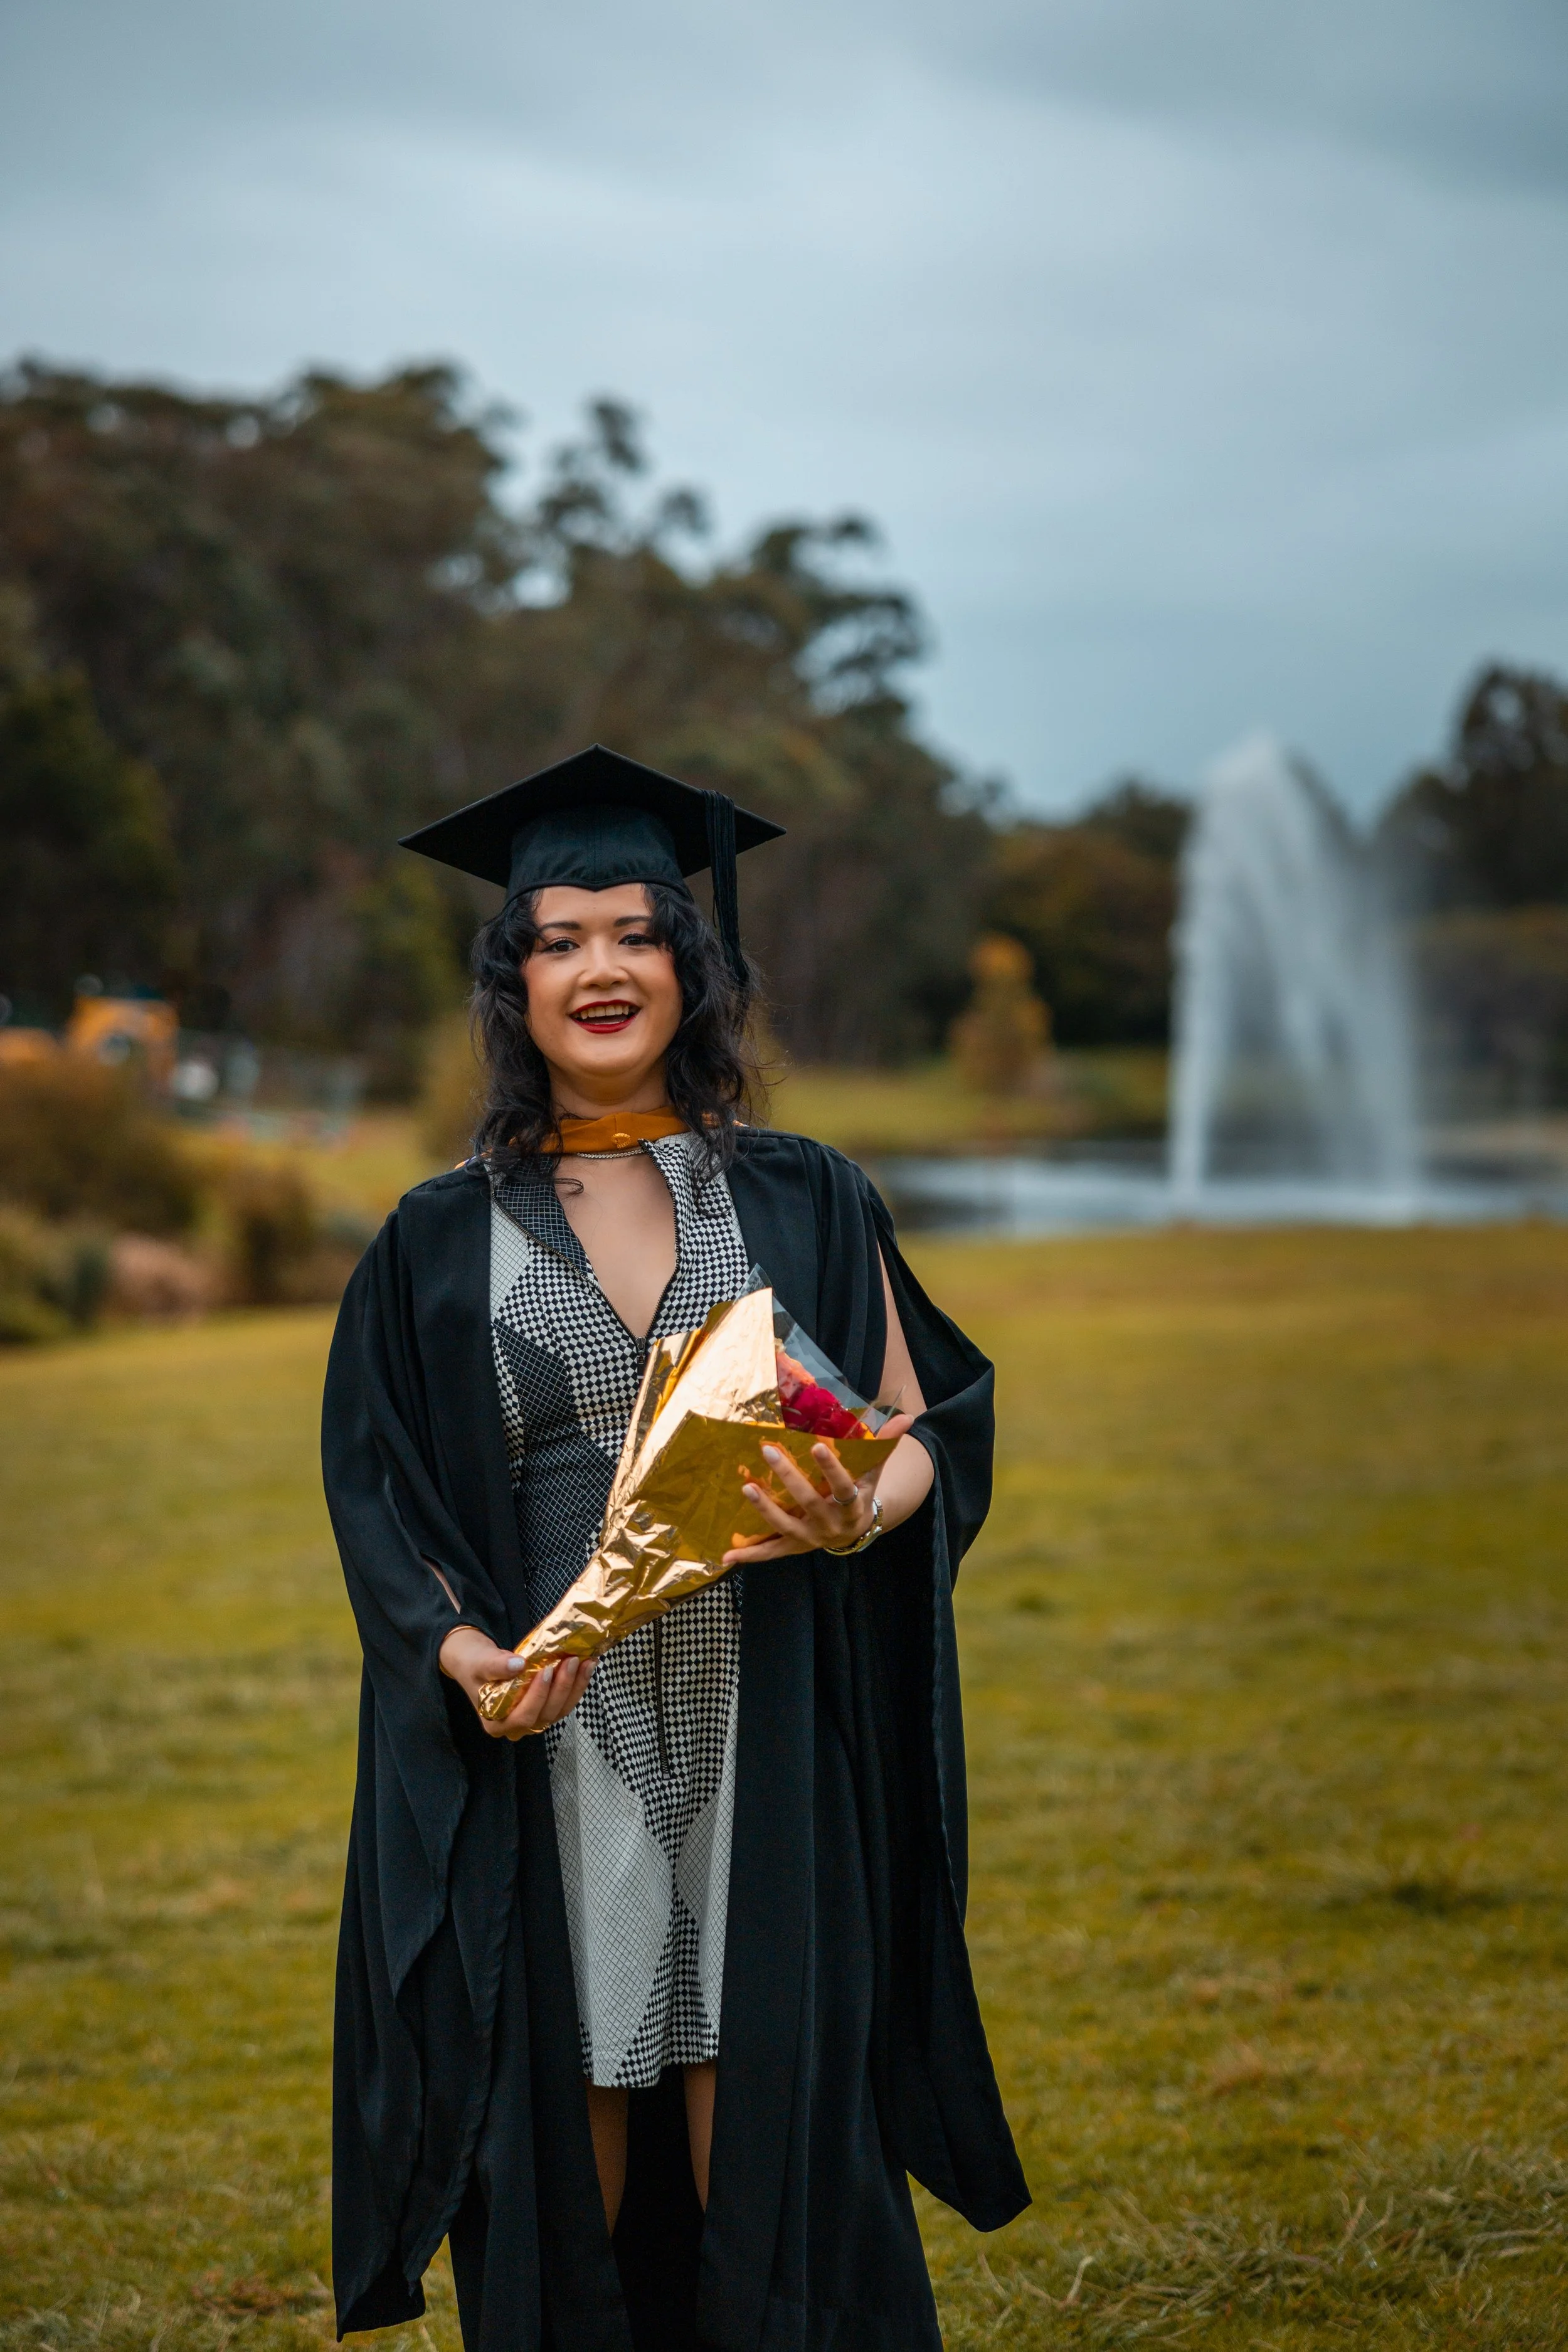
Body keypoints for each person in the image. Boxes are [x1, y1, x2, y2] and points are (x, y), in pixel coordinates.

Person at [324, 745, 1028, 2351]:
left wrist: (862, 1502)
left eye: (635, 934)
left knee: (757, 2070)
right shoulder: (437, 1236)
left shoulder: (804, 1199)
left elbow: (926, 1421)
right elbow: (375, 1493)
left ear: (688, 968)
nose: (598, 968)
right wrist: (455, 1649)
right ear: (511, 982)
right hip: (555, 1735)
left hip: (759, 1717)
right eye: (557, 939)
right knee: (571, 2089)